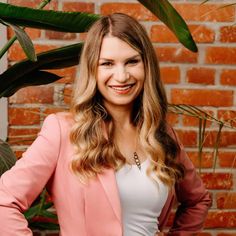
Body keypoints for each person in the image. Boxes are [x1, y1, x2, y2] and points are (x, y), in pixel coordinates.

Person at [0, 13, 211, 236]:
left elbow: (198, 200)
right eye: (107, 63)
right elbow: (4, 202)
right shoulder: (63, 130)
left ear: (147, 65)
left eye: (132, 61)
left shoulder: (162, 134)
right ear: (93, 69)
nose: (121, 76)